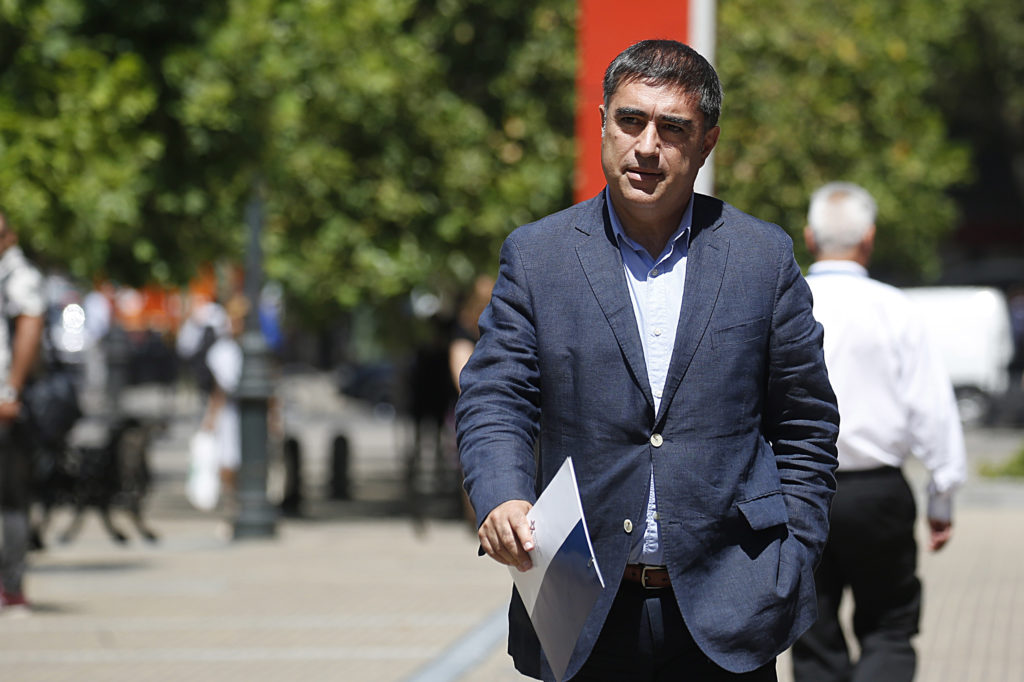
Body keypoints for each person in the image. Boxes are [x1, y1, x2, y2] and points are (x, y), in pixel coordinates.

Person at [455, 40, 839, 681]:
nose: (647, 146)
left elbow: (806, 423)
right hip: (580, 603)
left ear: (707, 142)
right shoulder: (539, 256)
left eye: (673, 128)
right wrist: (502, 497)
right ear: (603, 123)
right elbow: (496, 398)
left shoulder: (761, 257)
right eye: (630, 120)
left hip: (731, 605)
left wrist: (793, 554)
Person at [791, 182, 968, 682]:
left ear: (809, 236)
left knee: (812, 632)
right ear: (869, 238)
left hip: (798, 489)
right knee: (890, 626)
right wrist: (941, 496)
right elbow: (931, 407)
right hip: (878, 491)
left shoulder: (786, 300)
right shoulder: (895, 307)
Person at [0, 211, 46, 613]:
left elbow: (30, 326)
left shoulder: (18, 276)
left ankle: (11, 587)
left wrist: (11, 390)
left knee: (10, 497)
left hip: (4, 405)